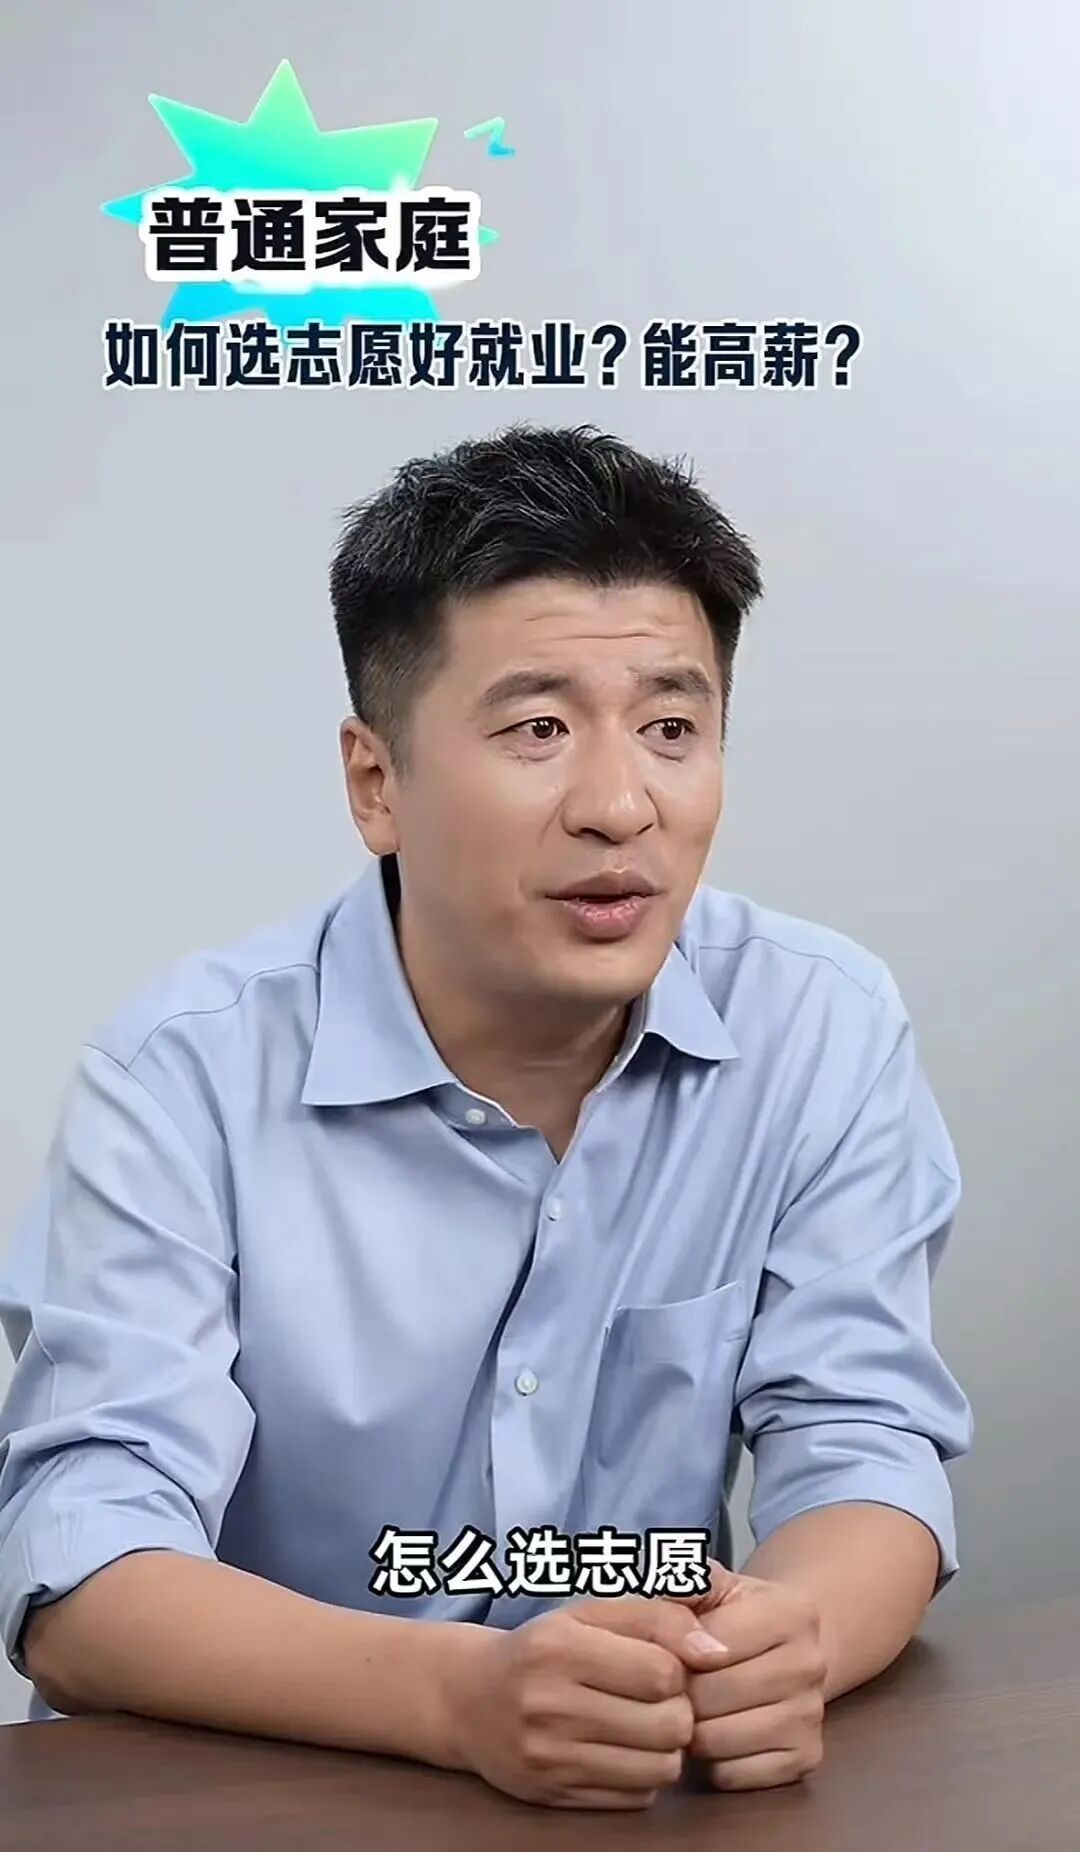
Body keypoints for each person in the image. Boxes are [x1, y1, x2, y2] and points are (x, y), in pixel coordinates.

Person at [0, 424, 972, 1810]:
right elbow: (81, 1568)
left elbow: (866, 1445)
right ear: (376, 783)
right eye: (537, 730)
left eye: (673, 728)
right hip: (266, 1797)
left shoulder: (818, 1023)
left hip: (633, 1800)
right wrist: (455, 1697)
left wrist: (785, 1643)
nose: (620, 805)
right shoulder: (183, 1077)